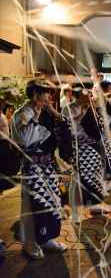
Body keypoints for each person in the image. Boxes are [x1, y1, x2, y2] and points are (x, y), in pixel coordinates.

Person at [11, 80, 67, 260]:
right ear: (36, 95)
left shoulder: (44, 111)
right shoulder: (23, 113)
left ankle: (46, 238)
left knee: (50, 202)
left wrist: (51, 111)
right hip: (32, 167)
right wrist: (35, 116)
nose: (49, 96)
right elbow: (24, 139)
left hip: (47, 165)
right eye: (46, 93)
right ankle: (31, 243)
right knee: (33, 204)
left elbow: (62, 131)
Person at [62, 83, 107, 222]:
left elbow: (100, 125)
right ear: (78, 94)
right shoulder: (68, 108)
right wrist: (83, 112)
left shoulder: (90, 107)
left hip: (93, 147)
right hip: (78, 148)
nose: (89, 95)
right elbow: (68, 128)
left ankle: (92, 205)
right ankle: (74, 213)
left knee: (93, 178)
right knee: (76, 180)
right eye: (86, 92)